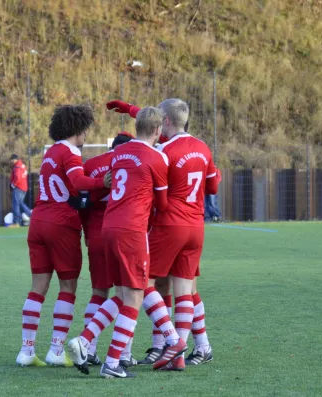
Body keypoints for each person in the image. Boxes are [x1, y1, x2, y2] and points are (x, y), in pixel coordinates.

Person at [68, 107, 187, 379]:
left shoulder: (118, 152)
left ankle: (84, 341)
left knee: (122, 295)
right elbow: (164, 204)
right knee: (135, 295)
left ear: (136, 128)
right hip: (133, 231)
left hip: (108, 227)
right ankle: (112, 363)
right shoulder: (157, 157)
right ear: (158, 131)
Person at [107, 98, 220, 370]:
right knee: (184, 289)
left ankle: (158, 345)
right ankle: (182, 352)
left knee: (142, 284)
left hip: (169, 225)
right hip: (196, 227)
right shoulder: (203, 148)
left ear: (165, 122)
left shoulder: (164, 151)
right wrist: (132, 109)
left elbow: (158, 191)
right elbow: (213, 186)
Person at [15, 105, 111, 367]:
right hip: (61, 224)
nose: (86, 136)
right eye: (85, 131)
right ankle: (56, 351)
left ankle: (26, 351)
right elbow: (79, 182)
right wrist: (102, 183)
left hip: (38, 222)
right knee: (68, 287)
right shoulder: (70, 152)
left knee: (38, 287)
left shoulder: (50, 153)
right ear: (77, 129)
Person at [77, 132, 134, 368]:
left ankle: (88, 349)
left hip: (97, 234)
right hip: (123, 234)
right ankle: (123, 354)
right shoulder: (132, 163)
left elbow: (81, 203)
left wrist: (87, 232)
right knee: (128, 294)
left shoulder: (90, 164)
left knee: (99, 293)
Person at [9, 154, 32, 227]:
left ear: (14, 159)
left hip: (18, 188)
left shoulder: (17, 166)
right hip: (24, 187)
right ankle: (33, 216)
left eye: (11, 160)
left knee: (16, 204)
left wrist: (13, 184)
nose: (11, 162)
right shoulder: (22, 165)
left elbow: (17, 177)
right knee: (20, 203)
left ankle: (16, 222)